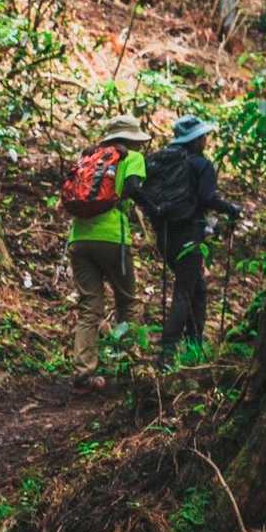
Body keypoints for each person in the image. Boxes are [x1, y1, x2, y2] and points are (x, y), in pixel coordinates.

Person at [67, 114, 150, 391]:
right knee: (128, 302)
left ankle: (84, 371)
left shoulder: (89, 156)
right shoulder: (132, 157)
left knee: (89, 307)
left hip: (79, 238)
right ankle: (130, 366)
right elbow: (133, 188)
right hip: (113, 237)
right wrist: (157, 210)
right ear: (131, 139)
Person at [149, 116, 241, 364]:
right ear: (197, 139)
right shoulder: (201, 164)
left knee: (197, 289)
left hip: (165, 235)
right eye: (203, 136)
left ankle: (194, 345)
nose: (205, 139)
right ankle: (167, 354)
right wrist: (231, 209)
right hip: (189, 235)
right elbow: (207, 197)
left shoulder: (162, 161)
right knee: (184, 292)